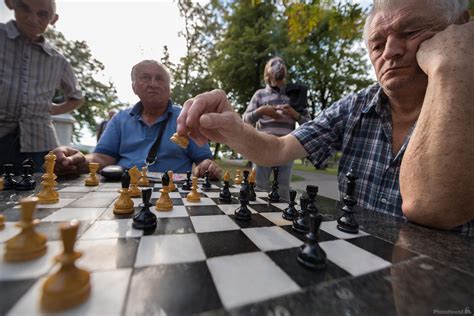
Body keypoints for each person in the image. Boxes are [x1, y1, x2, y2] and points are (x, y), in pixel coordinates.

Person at [176, 0, 474, 235]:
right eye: (377, 43)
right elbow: (278, 149)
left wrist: (451, 70)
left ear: (460, 27)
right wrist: (235, 129)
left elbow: (433, 207)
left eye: (410, 32)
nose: (392, 51)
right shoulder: (354, 106)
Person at [53, 60, 220, 179]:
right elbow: (102, 158)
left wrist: (207, 166)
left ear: (169, 88)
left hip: (173, 195)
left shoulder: (187, 118)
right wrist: (79, 160)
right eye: (145, 78)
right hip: (122, 190)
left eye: (160, 78)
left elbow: (203, 159)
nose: (153, 84)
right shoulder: (120, 119)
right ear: (134, 87)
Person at [0, 0, 84, 172]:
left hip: (39, 143)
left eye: (42, 14)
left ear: (53, 19)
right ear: (11, 4)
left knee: (36, 192)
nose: (33, 18)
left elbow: (77, 97)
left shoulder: (58, 60)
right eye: (25, 8)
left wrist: (50, 109)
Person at [243, 57, 310, 200]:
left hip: (286, 148)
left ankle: (282, 220)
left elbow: (309, 125)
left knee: (283, 189)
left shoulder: (295, 95)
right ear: (267, 73)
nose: (279, 65)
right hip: (263, 146)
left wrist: (296, 115)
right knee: (258, 186)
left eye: (282, 63)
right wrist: (261, 111)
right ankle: (256, 217)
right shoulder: (260, 94)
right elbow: (245, 119)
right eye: (273, 64)